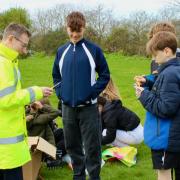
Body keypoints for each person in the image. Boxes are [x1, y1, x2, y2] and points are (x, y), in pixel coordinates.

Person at [52, 11, 110, 180]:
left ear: (84, 28)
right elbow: (56, 77)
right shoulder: (61, 51)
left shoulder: (94, 50)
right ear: (66, 28)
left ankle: (94, 177)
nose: (75, 34)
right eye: (72, 30)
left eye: (79, 30)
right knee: (72, 146)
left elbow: (105, 75)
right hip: (68, 108)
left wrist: (91, 92)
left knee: (92, 146)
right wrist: (61, 93)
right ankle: (78, 176)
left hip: (89, 109)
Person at [0, 23, 53, 180]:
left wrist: (27, 102)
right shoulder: (3, 64)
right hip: (6, 150)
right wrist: (36, 92)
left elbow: (10, 96)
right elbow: (4, 99)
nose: (25, 50)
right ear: (10, 39)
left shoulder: (9, 62)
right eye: (23, 45)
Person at [134, 31, 180, 180]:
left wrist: (143, 95)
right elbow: (168, 90)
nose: (153, 59)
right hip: (172, 135)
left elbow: (166, 108)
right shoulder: (173, 70)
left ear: (166, 51)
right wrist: (148, 82)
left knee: (164, 174)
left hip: (165, 137)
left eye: (155, 54)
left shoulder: (169, 74)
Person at [98, 78, 143, 147]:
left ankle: (128, 151)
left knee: (105, 133)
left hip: (136, 135)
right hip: (138, 131)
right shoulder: (111, 103)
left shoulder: (109, 111)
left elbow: (110, 137)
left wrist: (95, 143)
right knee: (105, 134)